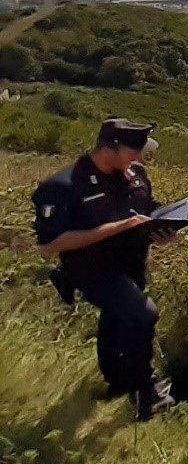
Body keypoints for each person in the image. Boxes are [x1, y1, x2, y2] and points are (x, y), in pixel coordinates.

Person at [31, 119, 179, 420]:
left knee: (117, 320)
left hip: (132, 263)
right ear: (109, 147)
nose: (139, 158)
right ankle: (145, 392)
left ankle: (117, 384)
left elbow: (147, 207)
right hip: (92, 269)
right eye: (133, 151)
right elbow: (50, 244)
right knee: (142, 314)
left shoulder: (136, 176)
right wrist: (115, 228)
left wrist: (163, 229)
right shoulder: (64, 186)